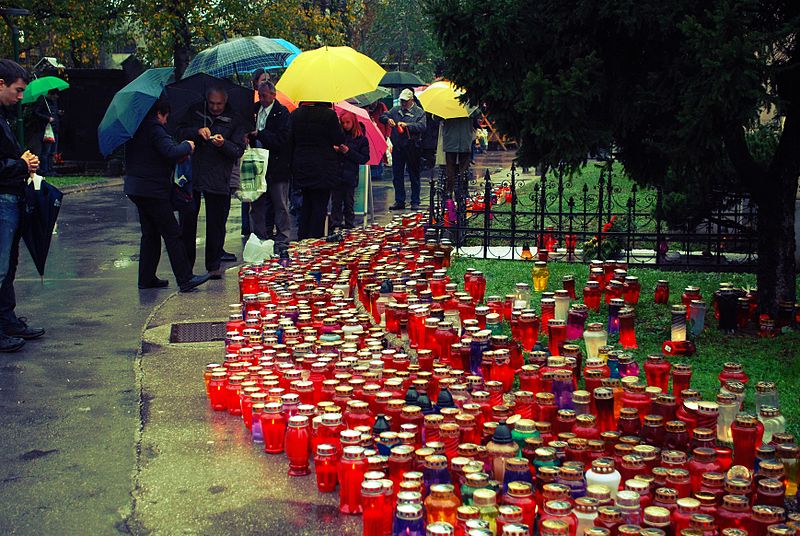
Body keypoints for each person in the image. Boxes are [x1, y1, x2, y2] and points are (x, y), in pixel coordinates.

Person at [124, 99, 210, 293]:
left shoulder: (135, 127)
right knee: (172, 233)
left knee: (150, 234)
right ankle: (185, 278)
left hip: (136, 188)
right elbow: (170, 151)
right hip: (153, 190)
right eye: (165, 117)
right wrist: (188, 146)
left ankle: (146, 278)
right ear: (159, 113)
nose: (165, 121)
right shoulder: (154, 128)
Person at [0, 59, 45, 352]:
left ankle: (7, 319)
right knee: (1, 266)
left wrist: (22, 162)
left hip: (10, 196)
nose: (20, 97)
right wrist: (20, 164)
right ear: (0, 84)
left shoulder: (2, 116)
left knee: (8, 265)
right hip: (3, 197)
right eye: (17, 90)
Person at [177, 87, 246, 278]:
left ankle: (214, 265)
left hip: (219, 177)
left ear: (225, 101)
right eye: (212, 103)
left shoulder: (235, 118)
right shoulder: (194, 111)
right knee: (187, 223)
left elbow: (238, 150)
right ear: (207, 100)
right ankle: (186, 269)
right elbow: (179, 132)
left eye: (219, 104)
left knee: (216, 224)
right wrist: (196, 132)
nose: (215, 107)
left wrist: (223, 144)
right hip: (193, 174)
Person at [288, 102, 344, 239]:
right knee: (319, 206)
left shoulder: (295, 114)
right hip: (323, 166)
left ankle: (303, 238)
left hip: (302, 164)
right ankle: (315, 241)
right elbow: (338, 139)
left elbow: (290, 139)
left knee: (306, 203)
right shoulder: (328, 115)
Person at [248, 80, 291, 253]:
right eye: (260, 95)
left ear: (273, 95)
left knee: (279, 202)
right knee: (256, 202)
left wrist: (261, 134)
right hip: (256, 163)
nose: (261, 98)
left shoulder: (282, 113)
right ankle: (259, 235)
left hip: (276, 164)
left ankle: (283, 235)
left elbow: (281, 140)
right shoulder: (253, 110)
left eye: (264, 95)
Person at [380, 88, 426, 210]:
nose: (403, 103)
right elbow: (383, 116)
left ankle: (415, 201)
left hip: (413, 147)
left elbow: (422, 126)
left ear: (411, 100)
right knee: (397, 175)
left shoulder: (419, 112)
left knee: (414, 175)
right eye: (401, 101)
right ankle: (399, 200)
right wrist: (387, 119)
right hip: (398, 147)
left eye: (405, 101)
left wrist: (408, 126)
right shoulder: (396, 110)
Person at [241, 69, 270, 239]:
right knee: (249, 192)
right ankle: (247, 228)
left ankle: (262, 228)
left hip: (266, 155)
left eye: (268, 79)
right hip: (251, 155)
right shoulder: (250, 105)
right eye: (262, 79)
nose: (265, 81)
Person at [330, 111, 370, 231]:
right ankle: (335, 224)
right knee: (336, 202)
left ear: (353, 122)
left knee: (349, 202)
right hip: (337, 174)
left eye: (348, 122)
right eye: (343, 123)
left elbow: (364, 158)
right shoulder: (337, 136)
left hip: (350, 175)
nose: (345, 125)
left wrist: (348, 152)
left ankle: (349, 224)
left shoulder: (361, 139)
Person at [441, 114, 477, 200]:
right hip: (464, 139)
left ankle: (449, 191)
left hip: (450, 139)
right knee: (463, 169)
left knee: (450, 169)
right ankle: (462, 192)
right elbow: (477, 114)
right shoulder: (468, 104)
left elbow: (436, 118)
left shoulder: (447, 104)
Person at [33, 90, 60, 176]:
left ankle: (50, 169)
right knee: (46, 151)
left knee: (52, 152)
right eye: (55, 96)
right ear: (51, 95)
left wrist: (58, 113)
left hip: (55, 129)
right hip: (47, 130)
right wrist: (47, 118)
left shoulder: (54, 102)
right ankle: (44, 170)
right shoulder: (43, 101)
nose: (56, 98)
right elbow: (36, 112)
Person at [367, 100, 389, 182]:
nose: (374, 103)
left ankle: (377, 173)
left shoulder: (381, 106)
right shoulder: (366, 107)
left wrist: (387, 134)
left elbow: (387, 119)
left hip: (380, 133)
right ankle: (373, 173)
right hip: (370, 134)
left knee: (379, 153)